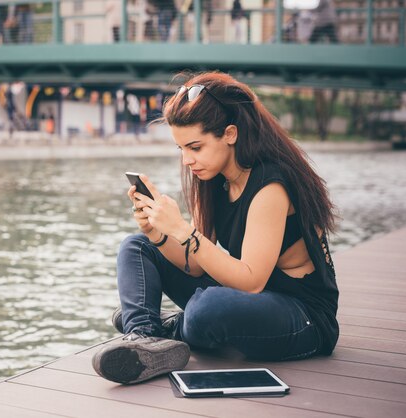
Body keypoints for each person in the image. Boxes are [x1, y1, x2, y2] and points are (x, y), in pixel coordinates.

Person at [92, 71, 339, 384]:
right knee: (137, 245)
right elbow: (194, 265)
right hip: (248, 301)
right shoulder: (214, 179)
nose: (187, 160)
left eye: (195, 147)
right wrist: (157, 231)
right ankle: (144, 336)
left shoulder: (270, 187)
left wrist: (182, 230)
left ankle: (165, 325)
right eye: (181, 149)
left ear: (230, 134)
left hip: (303, 318)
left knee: (206, 309)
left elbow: (251, 281)